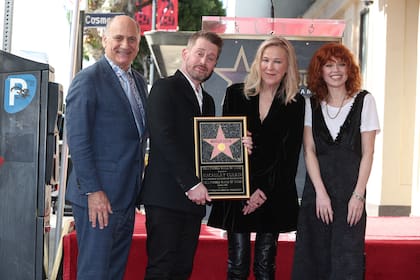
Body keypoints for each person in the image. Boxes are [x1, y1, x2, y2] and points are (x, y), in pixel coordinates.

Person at [139, 30, 251, 279]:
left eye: (211, 58)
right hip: (166, 197)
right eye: (200, 54)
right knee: (161, 268)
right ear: (185, 53)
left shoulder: (208, 101)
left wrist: (238, 145)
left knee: (182, 269)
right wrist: (191, 183)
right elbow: (163, 139)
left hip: (194, 201)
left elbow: (207, 147)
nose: (204, 61)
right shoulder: (164, 88)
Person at [207, 36, 305, 279]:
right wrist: (245, 191)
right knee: (237, 265)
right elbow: (226, 149)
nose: (270, 67)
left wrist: (263, 192)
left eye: (277, 62)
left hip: (274, 192)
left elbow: (289, 157)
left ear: (287, 67)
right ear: (257, 62)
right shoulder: (235, 94)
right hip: (238, 191)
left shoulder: (296, 103)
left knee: (265, 267)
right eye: (265, 60)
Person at [65, 15, 148, 280]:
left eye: (132, 39)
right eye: (118, 38)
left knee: (114, 272)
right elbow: (78, 141)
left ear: (138, 43)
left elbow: (137, 137)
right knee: (95, 273)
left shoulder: (138, 81)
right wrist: (93, 191)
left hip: (125, 197)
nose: (125, 44)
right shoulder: (87, 80)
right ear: (104, 40)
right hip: (98, 198)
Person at [292, 42, 380, 280]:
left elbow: (368, 153)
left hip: (351, 195)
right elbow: (309, 150)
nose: (336, 70)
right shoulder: (311, 104)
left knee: (347, 259)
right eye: (329, 65)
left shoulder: (365, 101)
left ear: (350, 70)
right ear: (319, 71)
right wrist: (320, 193)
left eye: (342, 64)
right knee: (312, 258)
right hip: (317, 194)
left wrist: (358, 195)